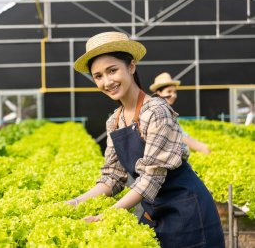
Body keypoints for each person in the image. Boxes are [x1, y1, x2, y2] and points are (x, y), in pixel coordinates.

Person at [66, 31, 224, 248]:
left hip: (188, 210)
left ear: (131, 67)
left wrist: (108, 214)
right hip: (155, 210)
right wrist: (73, 203)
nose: (107, 81)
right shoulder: (114, 121)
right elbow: (112, 177)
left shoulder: (156, 111)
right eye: (98, 76)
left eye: (112, 70)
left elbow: (152, 178)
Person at [149, 72, 211, 154]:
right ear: (159, 93)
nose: (173, 95)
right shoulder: (159, 112)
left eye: (174, 92)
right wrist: (201, 147)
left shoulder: (164, 109)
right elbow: (178, 135)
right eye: (169, 91)